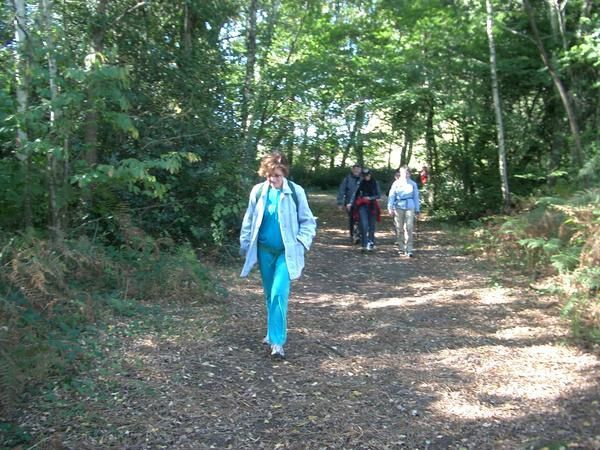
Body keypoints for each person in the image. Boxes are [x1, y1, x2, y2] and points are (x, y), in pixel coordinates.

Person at [240, 152, 317, 359]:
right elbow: (249, 219)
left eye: (277, 175)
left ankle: (277, 343)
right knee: (269, 294)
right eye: (269, 175)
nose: (273, 179)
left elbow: (308, 221)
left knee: (278, 293)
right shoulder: (258, 192)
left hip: (286, 252)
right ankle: (271, 331)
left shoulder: (295, 191)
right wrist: (245, 243)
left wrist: (301, 242)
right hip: (264, 251)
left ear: (284, 174)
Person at [388, 166, 420, 257]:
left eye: (407, 173)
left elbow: (416, 197)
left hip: (410, 206)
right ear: (400, 174)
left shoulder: (413, 184)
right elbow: (392, 196)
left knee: (409, 227)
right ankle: (401, 247)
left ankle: (409, 249)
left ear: (409, 174)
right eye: (403, 173)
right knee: (399, 228)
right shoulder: (396, 183)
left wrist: (417, 210)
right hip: (399, 206)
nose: (405, 175)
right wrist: (390, 207)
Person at [351, 168, 381, 251]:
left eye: (368, 175)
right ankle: (364, 244)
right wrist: (351, 203)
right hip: (362, 205)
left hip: (372, 206)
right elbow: (355, 194)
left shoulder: (375, 183)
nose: (366, 177)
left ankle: (370, 243)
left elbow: (378, 195)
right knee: (364, 224)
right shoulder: (360, 182)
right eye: (364, 176)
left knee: (372, 226)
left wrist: (370, 198)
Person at [336, 164, 362, 244]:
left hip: (362, 203)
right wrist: (340, 203)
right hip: (350, 204)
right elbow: (341, 190)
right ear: (352, 170)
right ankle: (353, 236)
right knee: (352, 220)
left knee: (361, 219)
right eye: (355, 170)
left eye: (358, 170)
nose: (357, 171)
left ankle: (359, 235)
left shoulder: (363, 178)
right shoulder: (347, 179)